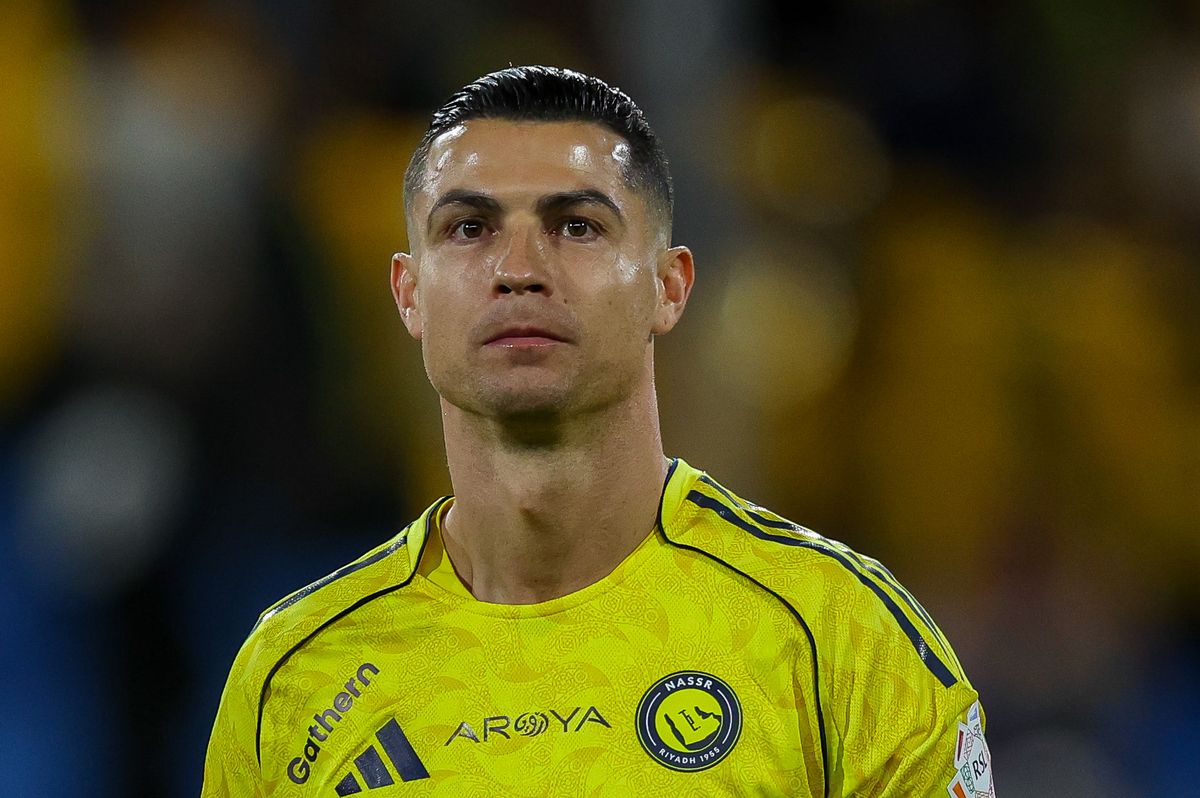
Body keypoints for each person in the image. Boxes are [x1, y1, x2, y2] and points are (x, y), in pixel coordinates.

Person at [202, 65, 994, 797]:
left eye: (576, 226)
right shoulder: (294, 677)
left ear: (668, 286)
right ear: (409, 295)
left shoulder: (839, 636)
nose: (519, 269)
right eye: (469, 228)